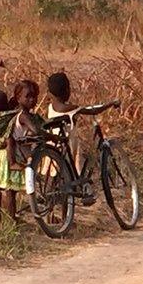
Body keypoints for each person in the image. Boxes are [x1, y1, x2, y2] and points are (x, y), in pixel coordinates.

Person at [45, 71, 120, 205]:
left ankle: (53, 210)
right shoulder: (70, 108)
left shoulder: (51, 106)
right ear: (68, 90)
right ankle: (83, 190)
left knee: (55, 176)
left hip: (52, 142)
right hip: (68, 142)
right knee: (74, 168)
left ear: (50, 93)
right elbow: (93, 111)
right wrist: (111, 103)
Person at [0, 80, 42, 222]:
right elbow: (36, 131)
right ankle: (11, 220)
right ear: (18, 98)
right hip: (8, 157)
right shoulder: (22, 115)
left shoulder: (12, 114)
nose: (32, 100)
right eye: (28, 96)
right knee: (10, 191)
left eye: (34, 96)